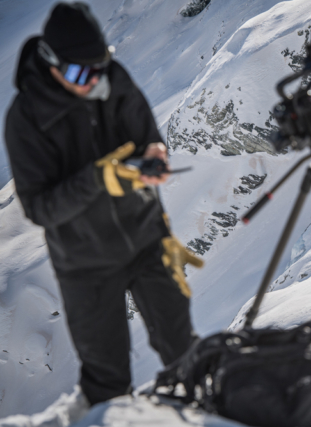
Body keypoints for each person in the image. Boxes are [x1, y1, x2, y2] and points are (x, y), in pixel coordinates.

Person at [4, 2, 203, 411]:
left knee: (185, 351)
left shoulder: (110, 78)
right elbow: (41, 208)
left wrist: (155, 154)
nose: (92, 80)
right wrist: (98, 178)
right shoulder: (25, 119)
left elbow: (147, 132)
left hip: (146, 240)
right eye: (80, 73)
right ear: (50, 62)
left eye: (100, 66)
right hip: (86, 264)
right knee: (107, 381)